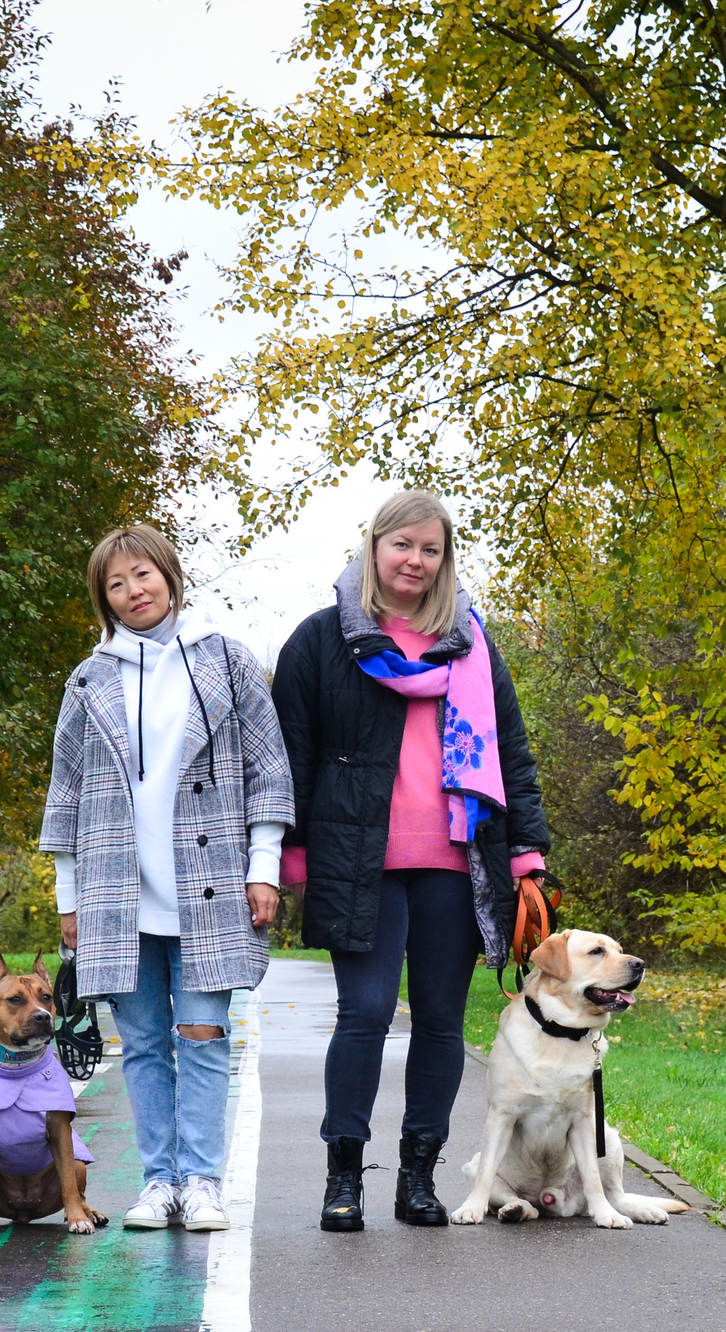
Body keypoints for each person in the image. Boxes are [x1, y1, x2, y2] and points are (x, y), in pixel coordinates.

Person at [272, 490, 550, 1231]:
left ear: (444, 559)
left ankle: (418, 1179)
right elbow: (289, 754)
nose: (415, 562)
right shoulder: (319, 641)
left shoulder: (472, 644)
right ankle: (343, 1180)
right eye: (403, 546)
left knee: (438, 1019)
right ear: (374, 547)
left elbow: (512, 757)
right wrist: (285, 848)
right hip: (355, 857)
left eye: (431, 550)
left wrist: (526, 853)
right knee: (362, 1014)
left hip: (459, 861)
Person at [42, 524, 292, 1231]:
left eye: (142, 575)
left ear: (169, 575)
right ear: (104, 599)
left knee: (204, 1035)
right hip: (115, 895)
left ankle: (203, 1181)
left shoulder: (227, 662)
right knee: (145, 1044)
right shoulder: (88, 679)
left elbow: (268, 771)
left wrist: (263, 867)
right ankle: (159, 1181)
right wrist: (70, 898)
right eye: (116, 584)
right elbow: (65, 793)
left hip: (210, 888)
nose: (133, 592)